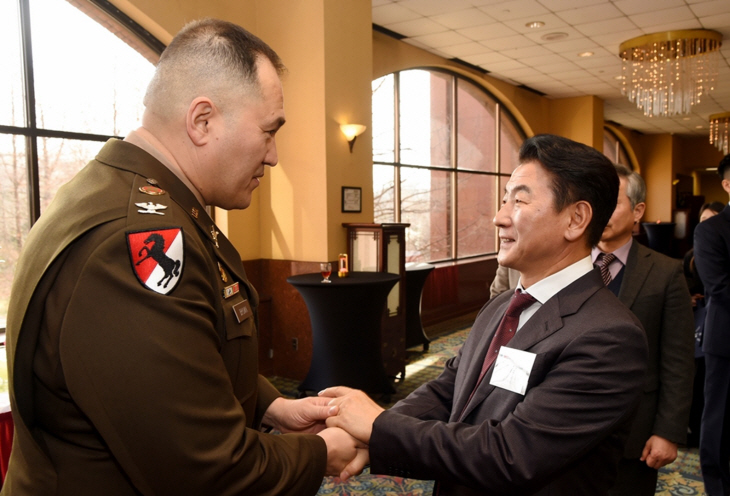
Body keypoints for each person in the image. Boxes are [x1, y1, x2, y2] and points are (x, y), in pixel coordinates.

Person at [2, 18, 361, 495]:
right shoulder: (132, 240)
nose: (273, 157)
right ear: (203, 121)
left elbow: (176, 361)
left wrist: (269, 406)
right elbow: (206, 472)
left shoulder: (132, 197)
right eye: (268, 132)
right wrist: (320, 454)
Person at [323, 134, 649, 495]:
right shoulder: (503, 304)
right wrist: (364, 432)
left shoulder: (609, 335)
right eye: (504, 199)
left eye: (520, 201)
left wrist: (380, 426)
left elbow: (511, 454)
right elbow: (450, 389)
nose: (499, 217)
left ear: (576, 219)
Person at [592, 164, 695, 495]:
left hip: (633, 431)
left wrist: (668, 431)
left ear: (638, 211)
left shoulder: (665, 273)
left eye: (613, 201)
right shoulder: (563, 264)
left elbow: (678, 359)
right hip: (562, 426)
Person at [693, 153, 730, 496]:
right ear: (728, 184)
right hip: (727, 341)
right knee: (719, 420)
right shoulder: (711, 230)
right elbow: (719, 287)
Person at [684, 201, 725, 447]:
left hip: (717, 323)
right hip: (695, 324)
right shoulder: (691, 255)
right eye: (703, 220)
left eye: (712, 219)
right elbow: (683, 285)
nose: (707, 225)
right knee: (696, 380)